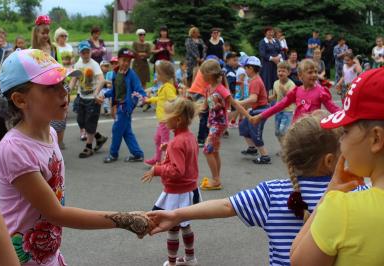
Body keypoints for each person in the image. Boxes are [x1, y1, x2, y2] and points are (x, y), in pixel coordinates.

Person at [0, 49, 154, 266]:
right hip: (20, 259)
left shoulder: (51, 133)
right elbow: (56, 214)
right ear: (20, 100)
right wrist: (125, 220)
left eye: (63, 83)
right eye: (50, 87)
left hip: (48, 255)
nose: (63, 91)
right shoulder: (15, 148)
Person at [147, 112, 364, 266]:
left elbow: (224, 206)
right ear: (329, 161)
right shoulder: (354, 193)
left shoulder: (273, 193)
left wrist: (176, 214)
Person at [291, 67, 384, 266]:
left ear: (376, 138)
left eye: (345, 132)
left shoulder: (342, 209)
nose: (341, 141)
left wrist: (329, 193)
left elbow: (298, 260)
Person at [142, 97, 200, 266]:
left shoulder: (176, 143)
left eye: (167, 115)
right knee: (186, 225)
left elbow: (177, 170)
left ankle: (172, 262)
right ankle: (190, 258)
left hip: (176, 193)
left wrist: (157, 169)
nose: (163, 119)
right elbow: (187, 157)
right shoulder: (189, 137)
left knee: (173, 227)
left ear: (178, 119)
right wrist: (169, 149)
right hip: (190, 190)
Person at [198, 59, 252, 190]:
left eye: (203, 74)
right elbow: (204, 106)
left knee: (207, 150)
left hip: (220, 124)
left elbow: (235, 104)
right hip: (212, 123)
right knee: (214, 151)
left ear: (210, 74)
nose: (201, 77)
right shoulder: (208, 88)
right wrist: (194, 111)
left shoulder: (221, 89)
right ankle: (216, 178)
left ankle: (216, 180)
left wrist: (249, 117)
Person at [251, 59, 340, 125]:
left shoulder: (321, 91)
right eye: (310, 72)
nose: (314, 75)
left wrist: (348, 117)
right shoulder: (296, 91)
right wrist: (260, 116)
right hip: (297, 129)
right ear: (300, 76)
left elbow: (334, 108)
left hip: (313, 130)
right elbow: (279, 105)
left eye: (316, 72)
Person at [103, 48, 147, 163]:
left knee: (116, 130)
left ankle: (113, 154)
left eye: (128, 61)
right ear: (118, 59)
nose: (126, 63)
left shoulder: (132, 74)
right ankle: (137, 154)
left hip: (125, 108)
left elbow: (139, 89)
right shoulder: (115, 73)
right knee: (127, 132)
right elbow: (115, 91)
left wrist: (142, 97)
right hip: (119, 106)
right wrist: (104, 95)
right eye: (123, 60)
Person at [69, 41, 108, 158]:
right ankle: (99, 138)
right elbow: (74, 80)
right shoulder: (78, 64)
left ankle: (88, 147)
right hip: (82, 97)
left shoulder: (94, 64)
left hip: (93, 99)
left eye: (87, 52)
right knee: (81, 121)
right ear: (79, 53)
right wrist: (68, 90)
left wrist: (96, 93)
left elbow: (102, 80)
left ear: (90, 52)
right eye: (83, 52)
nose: (86, 54)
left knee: (90, 123)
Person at [238, 56, 271, 164]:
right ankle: (252, 149)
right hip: (256, 109)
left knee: (255, 132)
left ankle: (265, 156)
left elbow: (253, 98)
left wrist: (239, 103)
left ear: (251, 68)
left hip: (260, 111)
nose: (245, 70)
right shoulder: (254, 79)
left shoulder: (255, 81)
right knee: (244, 126)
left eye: (246, 68)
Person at [144, 60, 177, 166]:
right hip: (162, 120)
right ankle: (158, 159)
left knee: (164, 142)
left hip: (165, 120)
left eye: (158, 73)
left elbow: (173, 100)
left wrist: (172, 111)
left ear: (164, 75)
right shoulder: (164, 86)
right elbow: (161, 98)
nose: (156, 75)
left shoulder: (167, 87)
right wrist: (149, 100)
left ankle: (166, 161)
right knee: (158, 139)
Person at [49, 51, 77, 150]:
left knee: (58, 142)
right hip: (52, 122)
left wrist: (74, 78)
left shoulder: (64, 88)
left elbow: (69, 88)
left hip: (60, 120)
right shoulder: (51, 90)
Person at [269, 61, 295, 149]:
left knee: (283, 131)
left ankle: (286, 149)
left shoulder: (291, 84)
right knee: (277, 132)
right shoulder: (275, 83)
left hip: (288, 111)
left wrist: (284, 90)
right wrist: (269, 98)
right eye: (279, 71)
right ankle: (284, 147)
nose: (281, 73)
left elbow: (291, 98)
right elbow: (275, 96)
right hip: (278, 110)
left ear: (288, 72)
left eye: (283, 71)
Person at [259, 26, 283, 92]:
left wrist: (278, 58)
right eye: (269, 32)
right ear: (265, 33)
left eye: (272, 32)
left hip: (277, 64)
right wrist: (273, 59)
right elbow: (262, 54)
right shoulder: (262, 42)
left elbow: (281, 50)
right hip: (267, 65)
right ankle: (267, 98)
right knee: (267, 81)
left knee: (276, 80)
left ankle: (276, 96)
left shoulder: (276, 40)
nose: (271, 33)